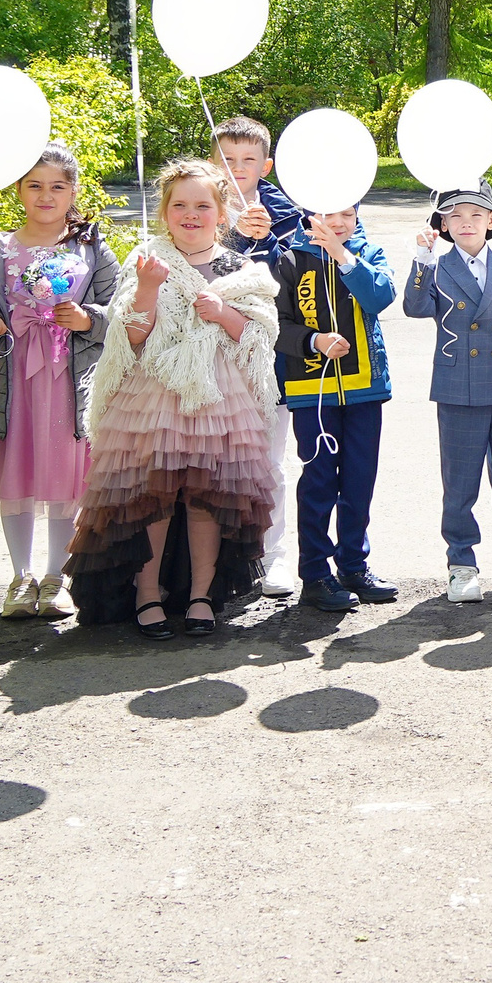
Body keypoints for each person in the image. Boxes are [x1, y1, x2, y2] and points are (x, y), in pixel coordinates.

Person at [66, 159, 281, 639]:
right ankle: (148, 595)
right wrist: (147, 288)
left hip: (220, 399)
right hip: (154, 397)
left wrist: (223, 313)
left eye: (202, 205)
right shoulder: (146, 259)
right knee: (152, 498)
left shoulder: (242, 269)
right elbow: (130, 339)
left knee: (207, 498)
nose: (191, 213)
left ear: (221, 213)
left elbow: (258, 337)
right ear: (164, 212)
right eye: (179, 205)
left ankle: (201, 594)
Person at [0, 145, 120, 621]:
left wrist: (86, 319)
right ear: (17, 189)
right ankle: (20, 576)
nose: (45, 195)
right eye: (34, 185)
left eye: (57, 186)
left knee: (64, 474)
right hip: (13, 383)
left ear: (73, 191)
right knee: (18, 470)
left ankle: (56, 576)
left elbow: (121, 311)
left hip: (70, 380)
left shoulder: (91, 249)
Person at [403, 182, 492, 603]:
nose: (466, 223)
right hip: (458, 389)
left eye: (475, 215)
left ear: (491, 221)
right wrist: (422, 261)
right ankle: (461, 564)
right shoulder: (437, 265)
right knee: (460, 484)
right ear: (444, 225)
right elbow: (414, 308)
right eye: (456, 217)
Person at [273, 204, 398, 614]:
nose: (338, 224)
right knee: (319, 480)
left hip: (365, 387)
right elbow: (276, 323)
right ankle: (314, 572)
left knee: (360, 479)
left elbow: (379, 296)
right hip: (313, 390)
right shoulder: (288, 257)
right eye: (328, 215)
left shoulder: (368, 252)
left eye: (346, 214)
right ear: (308, 214)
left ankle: (353, 565)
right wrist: (314, 341)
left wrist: (344, 257)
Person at [215, 115, 304, 600]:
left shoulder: (287, 213)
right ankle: (226, 560)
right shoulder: (199, 204)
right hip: (212, 352)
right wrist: (231, 233)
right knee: (216, 459)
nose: (237, 170)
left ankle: (276, 557)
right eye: (227, 160)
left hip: (271, 357)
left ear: (266, 164)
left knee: (270, 460)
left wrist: (265, 240)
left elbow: (291, 280)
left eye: (248, 160)